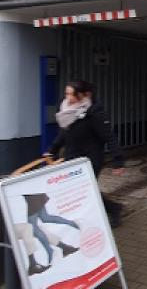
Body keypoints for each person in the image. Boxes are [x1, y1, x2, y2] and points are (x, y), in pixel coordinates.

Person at [43, 80, 126, 227]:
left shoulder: (94, 113)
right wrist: (52, 150)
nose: (68, 98)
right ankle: (112, 208)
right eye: (66, 93)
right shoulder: (67, 110)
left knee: (85, 188)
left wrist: (118, 161)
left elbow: (109, 137)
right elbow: (64, 133)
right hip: (72, 157)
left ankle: (111, 210)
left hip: (90, 159)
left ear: (84, 95)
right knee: (78, 189)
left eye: (72, 94)